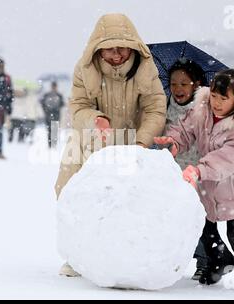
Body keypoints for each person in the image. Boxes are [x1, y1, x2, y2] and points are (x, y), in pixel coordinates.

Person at [55, 13, 166, 277]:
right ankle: (77, 254)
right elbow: (78, 106)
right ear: (97, 48)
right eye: (110, 49)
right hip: (91, 138)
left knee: (125, 201)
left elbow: (155, 109)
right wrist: (96, 120)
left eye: (122, 48)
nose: (116, 55)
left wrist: (141, 141)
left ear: (134, 46)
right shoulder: (84, 69)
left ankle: (125, 257)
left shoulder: (147, 70)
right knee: (71, 190)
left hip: (133, 141)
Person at [154, 68, 234, 293]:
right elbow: (186, 129)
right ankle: (220, 260)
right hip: (209, 183)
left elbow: (226, 159)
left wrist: (199, 170)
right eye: (214, 96)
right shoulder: (201, 109)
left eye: (223, 99)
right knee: (203, 225)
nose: (216, 103)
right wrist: (175, 140)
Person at [163, 58, 209, 281]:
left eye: (184, 83)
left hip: (198, 171)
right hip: (172, 169)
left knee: (199, 217)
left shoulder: (206, 108)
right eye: (174, 83)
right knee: (173, 217)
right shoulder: (163, 104)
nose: (178, 89)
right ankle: (173, 260)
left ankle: (205, 260)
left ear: (197, 84)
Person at [40, 81, 65, 148]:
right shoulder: (58, 95)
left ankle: (51, 144)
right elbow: (62, 104)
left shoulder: (47, 94)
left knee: (50, 130)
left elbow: (42, 103)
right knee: (53, 130)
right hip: (55, 115)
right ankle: (52, 144)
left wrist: (45, 110)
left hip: (49, 114)